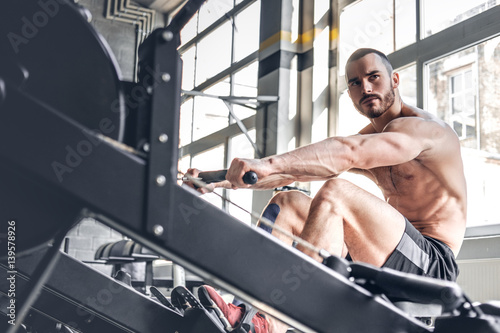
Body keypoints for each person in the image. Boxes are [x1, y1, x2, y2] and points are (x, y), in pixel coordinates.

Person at [187, 48, 467, 333]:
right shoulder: (370, 139)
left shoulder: (425, 130)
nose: (366, 87)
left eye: (374, 77)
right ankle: (250, 315)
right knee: (288, 201)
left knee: (337, 194)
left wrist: (267, 163)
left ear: (394, 79)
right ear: (349, 93)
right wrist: (217, 180)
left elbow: (347, 152)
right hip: (385, 256)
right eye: (356, 83)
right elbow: (292, 170)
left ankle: (277, 322)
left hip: (431, 266)